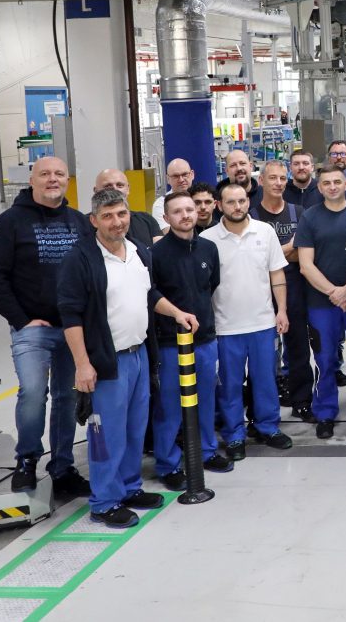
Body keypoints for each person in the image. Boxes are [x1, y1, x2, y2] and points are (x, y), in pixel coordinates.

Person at [57, 189, 196, 528]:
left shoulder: (138, 251)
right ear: (94, 221)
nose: (116, 222)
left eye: (121, 214)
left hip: (139, 356)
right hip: (106, 363)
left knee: (135, 429)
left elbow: (150, 294)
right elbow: (70, 315)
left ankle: (130, 487)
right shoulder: (80, 259)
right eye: (107, 216)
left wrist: (177, 312)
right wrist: (82, 364)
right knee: (107, 435)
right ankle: (104, 502)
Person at [0, 156, 93, 498]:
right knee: (32, 393)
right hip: (32, 329)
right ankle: (27, 459)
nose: (52, 179)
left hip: (72, 328)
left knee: (65, 397)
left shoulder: (79, 222)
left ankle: (62, 466)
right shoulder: (9, 222)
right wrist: (21, 320)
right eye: (44, 174)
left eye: (59, 174)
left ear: (67, 180)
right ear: (32, 180)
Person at [201, 182, 292, 460]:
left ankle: (268, 427)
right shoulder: (207, 239)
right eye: (230, 202)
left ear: (247, 202)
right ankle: (234, 434)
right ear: (219, 205)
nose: (237, 206)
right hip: (226, 326)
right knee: (229, 385)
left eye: (241, 201)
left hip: (263, 323)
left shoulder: (265, 232)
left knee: (265, 380)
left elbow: (277, 274)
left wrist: (281, 310)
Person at [150, 191, 234, 490]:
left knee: (206, 399)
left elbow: (211, 285)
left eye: (190, 209)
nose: (185, 215)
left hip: (205, 340)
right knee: (170, 405)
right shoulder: (155, 254)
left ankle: (206, 452)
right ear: (166, 217)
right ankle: (168, 464)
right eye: (177, 211)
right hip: (170, 343)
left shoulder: (209, 249)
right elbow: (152, 295)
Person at [295, 164, 346, 439]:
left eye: (337, 182)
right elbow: (306, 265)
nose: (332, 187)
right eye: (326, 183)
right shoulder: (309, 217)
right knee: (325, 358)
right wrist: (335, 291)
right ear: (319, 188)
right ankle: (325, 411)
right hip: (321, 302)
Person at [252, 161, 312, 421]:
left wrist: (275, 252)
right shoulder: (252, 216)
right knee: (263, 352)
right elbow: (256, 258)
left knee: (298, 347)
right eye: (272, 178)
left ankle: (302, 401)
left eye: (282, 178)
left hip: (295, 287)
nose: (278, 183)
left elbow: (303, 253)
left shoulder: (298, 212)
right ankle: (263, 409)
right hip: (262, 289)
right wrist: (288, 248)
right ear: (261, 181)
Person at [94, 169, 161, 247]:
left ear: (128, 189)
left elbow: (161, 250)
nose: (115, 189)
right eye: (108, 186)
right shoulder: (84, 225)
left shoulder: (146, 220)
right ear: (96, 191)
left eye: (120, 185)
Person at [152, 158, 196, 231]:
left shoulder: (202, 200)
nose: (181, 180)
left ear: (192, 174)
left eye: (185, 174)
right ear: (168, 179)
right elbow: (166, 231)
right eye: (175, 176)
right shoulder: (161, 204)